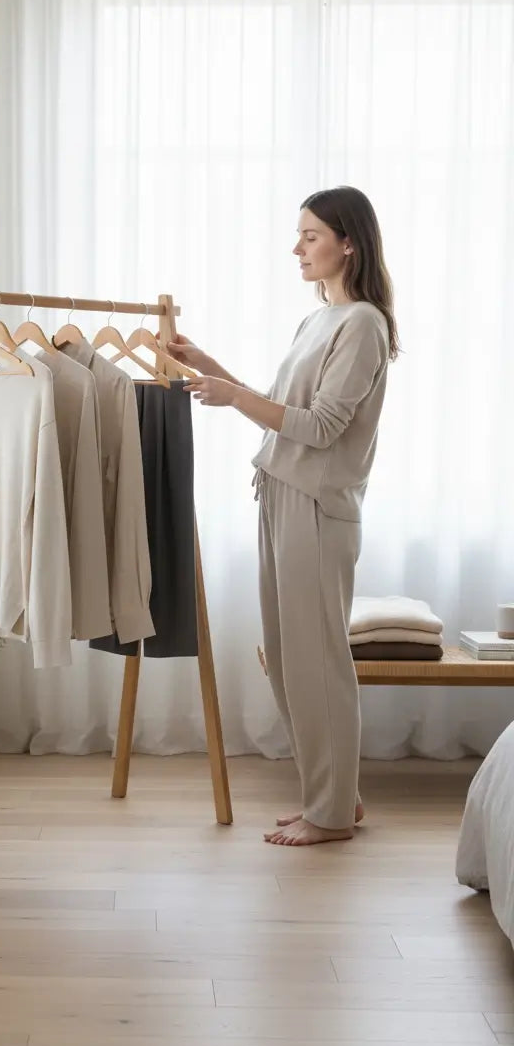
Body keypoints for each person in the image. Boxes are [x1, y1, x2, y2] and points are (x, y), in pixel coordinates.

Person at [170, 186, 399, 847]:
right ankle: (336, 799)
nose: (296, 248)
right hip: (279, 491)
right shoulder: (318, 322)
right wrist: (207, 366)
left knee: (316, 661)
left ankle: (329, 814)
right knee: (287, 655)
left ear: (347, 242)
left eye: (310, 236)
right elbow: (281, 404)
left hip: (317, 506)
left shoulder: (362, 324)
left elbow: (322, 428)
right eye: (299, 235)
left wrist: (232, 396)